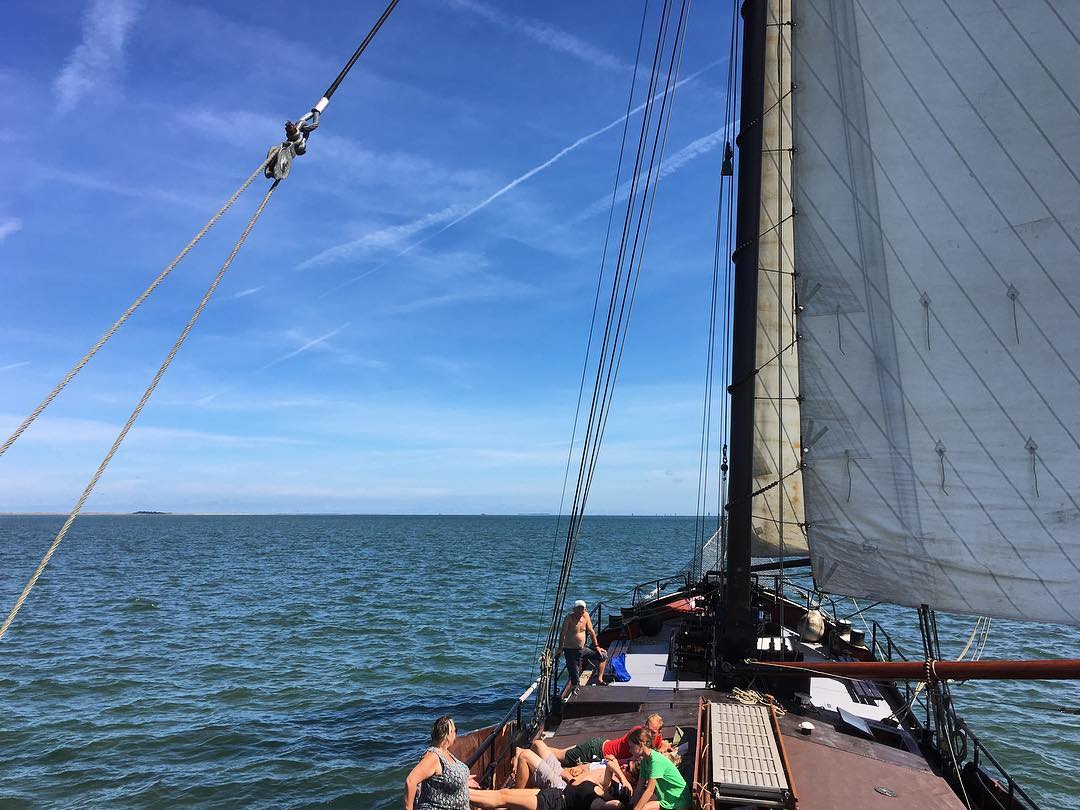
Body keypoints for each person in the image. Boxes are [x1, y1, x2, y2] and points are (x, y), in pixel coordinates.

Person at [405, 715, 478, 810]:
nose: (456, 734)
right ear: (448, 734)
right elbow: (411, 781)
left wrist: (463, 780)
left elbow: (444, 777)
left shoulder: (445, 753)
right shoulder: (433, 756)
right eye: (455, 731)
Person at [540, 715, 667, 766]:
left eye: (653, 732)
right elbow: (634, 759)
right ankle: (527, 751)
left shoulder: (657, 738)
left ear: (659, 732)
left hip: (600, 747)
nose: (649, 733)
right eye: (647, 729)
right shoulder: (638, 734)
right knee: (559, 756)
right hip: (598, 750)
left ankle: (531, 752)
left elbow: (658, 747)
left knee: (559, 753)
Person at [626, 727, 690, 810]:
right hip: (666, 800)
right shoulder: (645, 761)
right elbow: (639, 787)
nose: (629, 750)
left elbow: (649, 791)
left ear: (641, 744)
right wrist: (634, 807)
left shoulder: (656, 761)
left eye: (631, 747)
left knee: (644, 808)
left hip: (678, 800)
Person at [468, 780, 625, 810]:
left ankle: (461, 793)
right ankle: (465, 791)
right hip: (553, 793)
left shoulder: (597, 802)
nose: (612, 787)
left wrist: (621, 804)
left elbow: (612, 806)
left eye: (614, 789)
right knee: (504, 793)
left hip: (553, 804)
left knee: (502, 800)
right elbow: (610, 766)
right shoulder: (599, 788)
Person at [561, 600, 607, 689]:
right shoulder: (569, 618)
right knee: (575, 675)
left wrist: (597, 646)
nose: (580, 612)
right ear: (574, 609)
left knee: (603, 656)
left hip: (582, 649)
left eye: (582, 609)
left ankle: (599, 679)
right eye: (578, 609)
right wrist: (560, 648)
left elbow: (591, 631)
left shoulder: (586, 616)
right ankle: (576, 690)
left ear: (585, 610)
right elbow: (563, 633)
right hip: (571, 650)